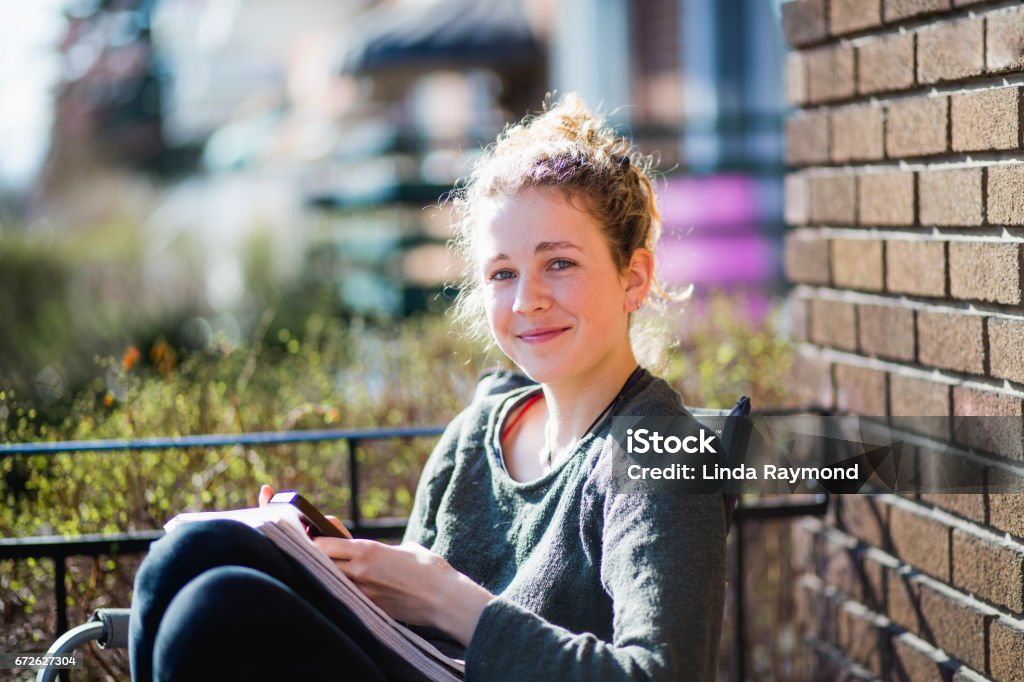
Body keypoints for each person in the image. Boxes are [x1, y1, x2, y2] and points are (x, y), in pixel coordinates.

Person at [129, 93, 728, 681]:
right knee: (190, 555)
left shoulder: (660, 453)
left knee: (215, 611)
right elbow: (403, 641)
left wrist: (449, 599)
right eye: (503, 273)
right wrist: (350, 573)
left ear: (634, 278)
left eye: (560, 263)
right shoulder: (477, 435)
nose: (528, 300)